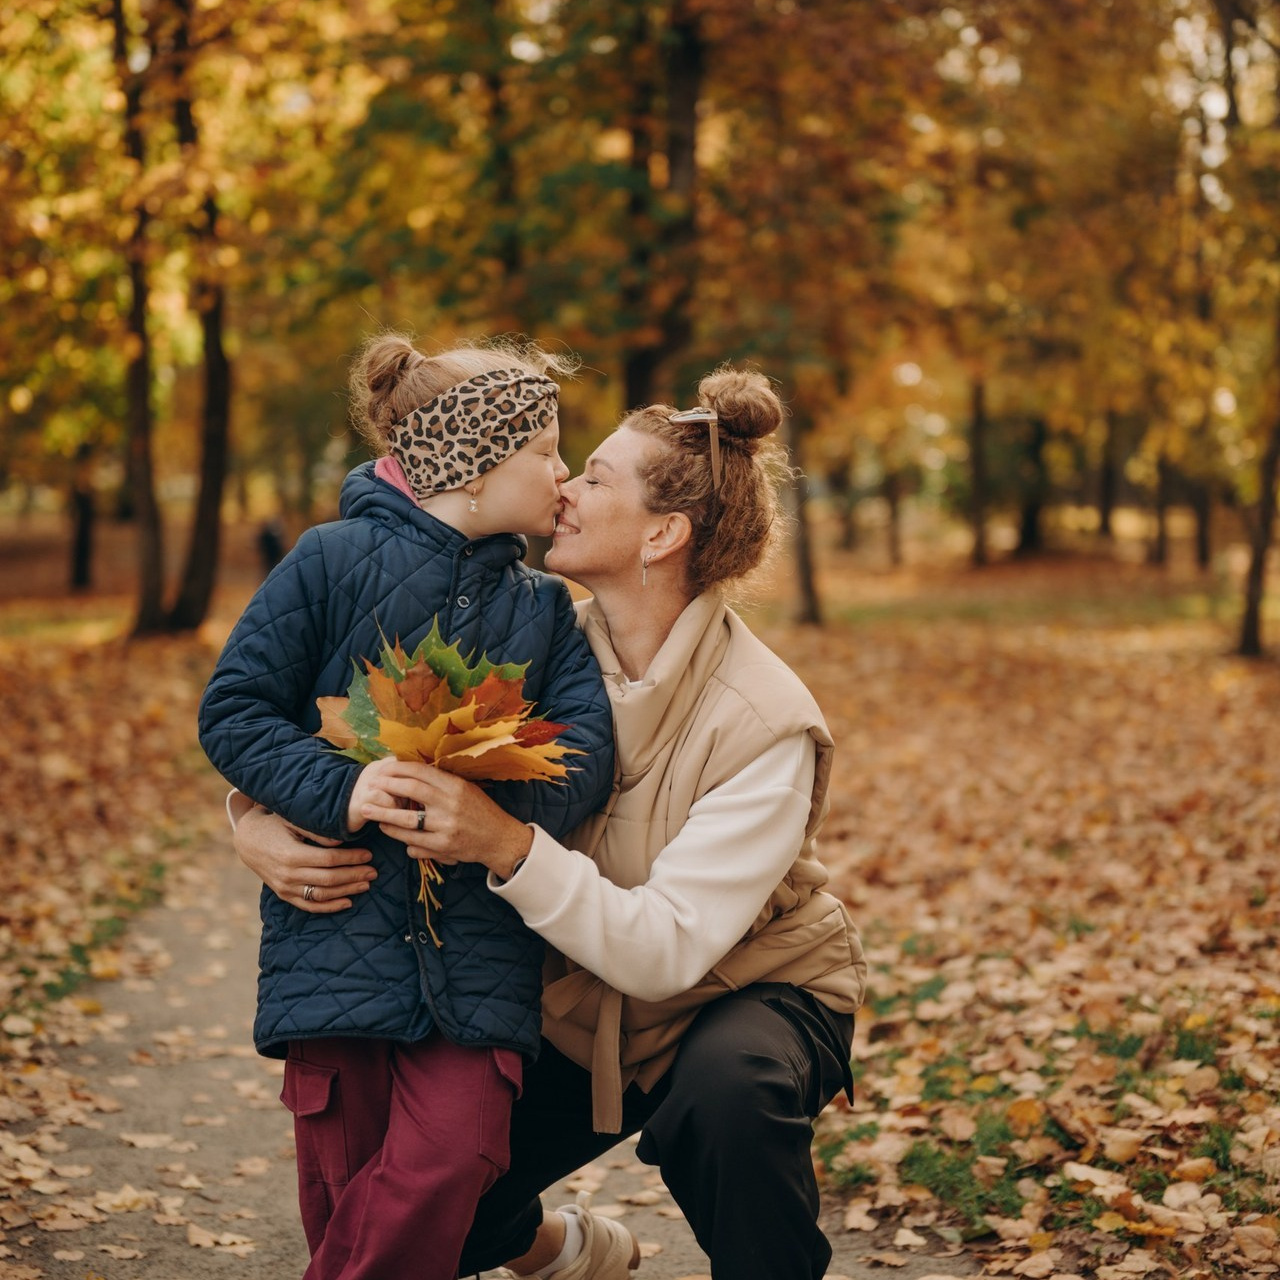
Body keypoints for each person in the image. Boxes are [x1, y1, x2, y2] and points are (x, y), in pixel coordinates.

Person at [233, 366, 868, 1280]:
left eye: (598, 477)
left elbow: (666, 951)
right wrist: (249, 818)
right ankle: (554, 1248)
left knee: (726, 1093)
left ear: (663, 533)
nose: (564, 484)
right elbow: (358, 740)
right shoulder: (532, 633)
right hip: (585, 1010)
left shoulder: (767, 720)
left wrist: (502, 840)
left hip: (740, 990)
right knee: (444, 1181)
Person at [197, 335, 616, 1280]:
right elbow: (234, 710)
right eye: (545, 447)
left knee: (457, 1155)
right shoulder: (327, 562)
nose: (562, 472)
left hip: (478, 958)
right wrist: (340, 787)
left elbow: (583, 757)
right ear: (471, 458)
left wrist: (484, 794)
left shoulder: (545, 610)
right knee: (345, 1185)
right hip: (335, 942)